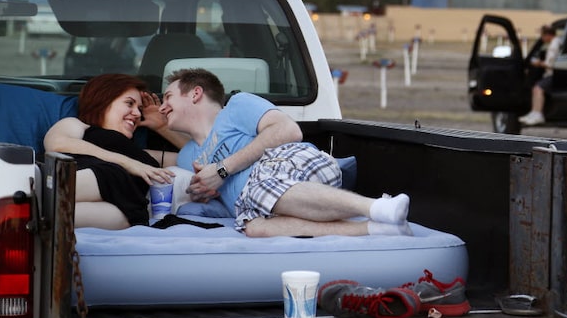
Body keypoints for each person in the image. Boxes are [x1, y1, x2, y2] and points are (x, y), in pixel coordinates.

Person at [158, 68, 411, 237]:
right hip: (258, 204)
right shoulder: (188, 155)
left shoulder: (236, 106)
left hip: (293, 161)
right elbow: (147, 159)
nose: (162, 107)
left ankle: (377, 207)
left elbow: (289, 130)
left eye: (167, 97)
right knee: (253, 228)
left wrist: (223, 170)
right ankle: (376, 227)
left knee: (259, 188)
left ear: (195, 93)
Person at [44, 74, 189, 229]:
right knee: (45, 205)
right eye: (129, 103)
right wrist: (128, 163)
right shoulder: (80, 126)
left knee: (47, 219)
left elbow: (197, 157)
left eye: (139, 109)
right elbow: (57, 144)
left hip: (127, 210)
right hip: (93, 178)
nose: (138, 114)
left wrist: (163, 127)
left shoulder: (143, 155)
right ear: (103, 101)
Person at [519, 25, 559, 126]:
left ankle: (537, 114)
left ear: (548, 35)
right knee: (536, 88)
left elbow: (550, 64)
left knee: (538, 88)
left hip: (553, 74)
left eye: (542, 36)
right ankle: (534, 113)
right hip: (552, 74)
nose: (542, 38)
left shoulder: (554, 45)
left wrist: (538, 63)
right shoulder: (556, 43)